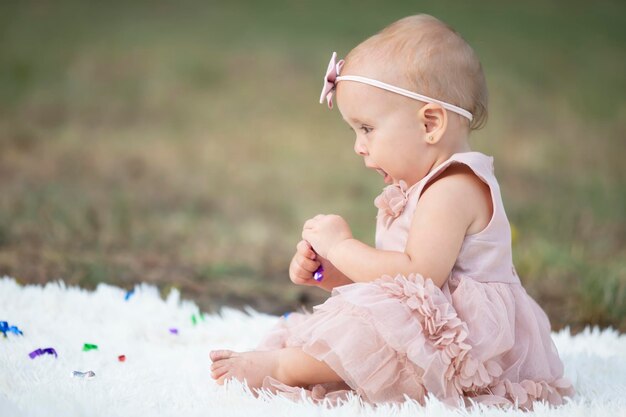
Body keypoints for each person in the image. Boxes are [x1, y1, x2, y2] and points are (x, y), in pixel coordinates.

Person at [209, 14, 575, 410]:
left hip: (472, 345)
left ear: (430, 124)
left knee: (367, 336)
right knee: (355, 329)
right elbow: (401, 293)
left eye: (366, 128)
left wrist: (342, 246)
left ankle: (286, 367)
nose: (358, 146)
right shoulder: (422, 186)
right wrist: (333, 275)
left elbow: (419, 277)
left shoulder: (454, 187)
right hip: (434, 324)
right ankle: (310, 364)